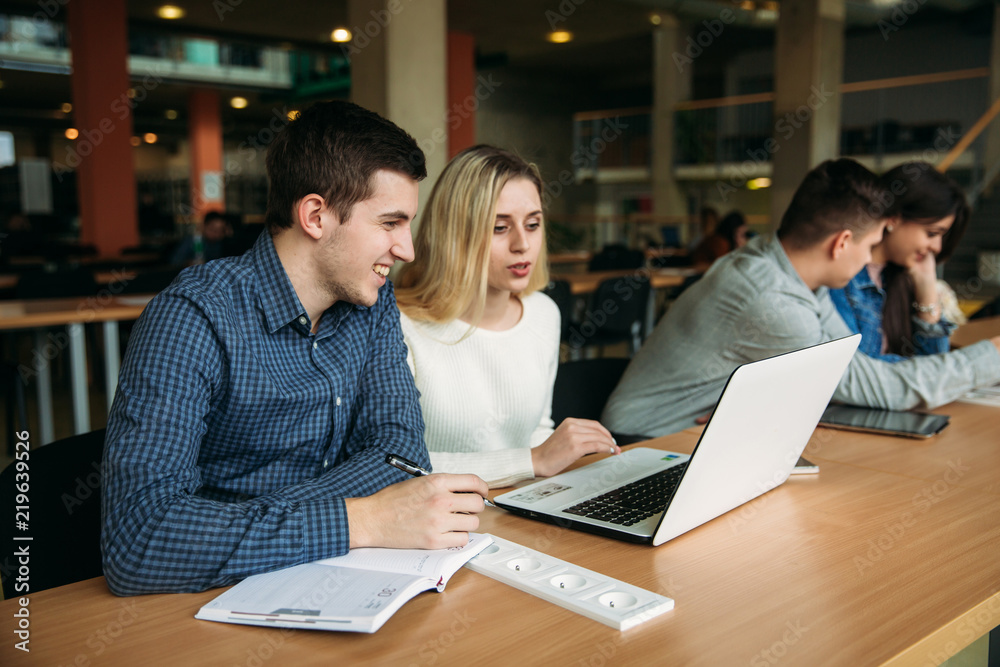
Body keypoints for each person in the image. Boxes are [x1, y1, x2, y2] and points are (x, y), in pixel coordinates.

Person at [102, 101, 489, 596]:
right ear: (314, 216)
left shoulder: (372, 301)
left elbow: (400, 455)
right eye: (390, 223)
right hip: (207, 603)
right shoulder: (192, 317)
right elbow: (140, 540)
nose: (407, 249)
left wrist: (258, 524)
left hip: (336, 581)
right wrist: (362, 520)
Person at [602, 158, 1000, 437]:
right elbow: (884, 389)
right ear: (842, 242)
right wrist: (990, 357)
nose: (868, 258)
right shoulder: (774, 302)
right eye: (871, 244)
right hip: (644, 442)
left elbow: (863, 371)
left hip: (689, 433)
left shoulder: (790, 273)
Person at [394, 145, 619, 488]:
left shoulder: (544, 313)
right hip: (438, 523)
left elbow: (535, 432)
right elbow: (397, 463)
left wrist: (573, 458)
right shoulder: (398, 325)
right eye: (500, 228)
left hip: (519, 506)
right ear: (455, 233)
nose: (522, 244)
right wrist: (533, 460)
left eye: (533, 224)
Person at [829, 162, 969, 361]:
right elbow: (858, 373)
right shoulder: (841, 276)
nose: (937, 247)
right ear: (894, 218)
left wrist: (927, 291)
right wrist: (924, 374)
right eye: (931, 233)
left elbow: (936, 368)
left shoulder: (901, 279)